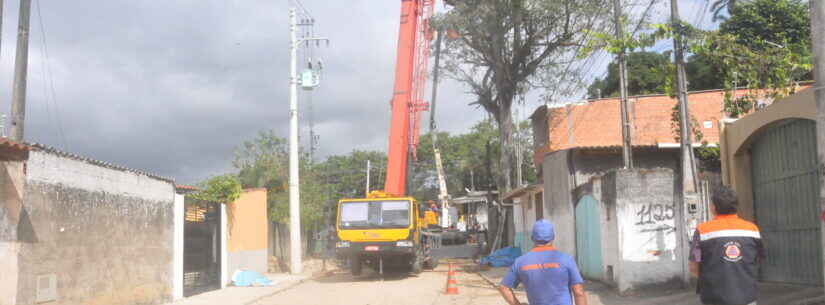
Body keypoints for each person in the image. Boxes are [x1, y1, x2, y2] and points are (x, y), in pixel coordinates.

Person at [689, 186, 763, 305]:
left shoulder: (702, 231)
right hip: (747, 297)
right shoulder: (752, 229)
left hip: (713, 298)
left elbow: (693, 267)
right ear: (736, 206)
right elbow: (757, 259)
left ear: (713, 207)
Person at [499, 219, 587, 305]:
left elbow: (504, 287)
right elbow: (579, 292)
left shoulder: (520, 262)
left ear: (532, 238)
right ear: (553, 237)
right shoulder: (567, 260)